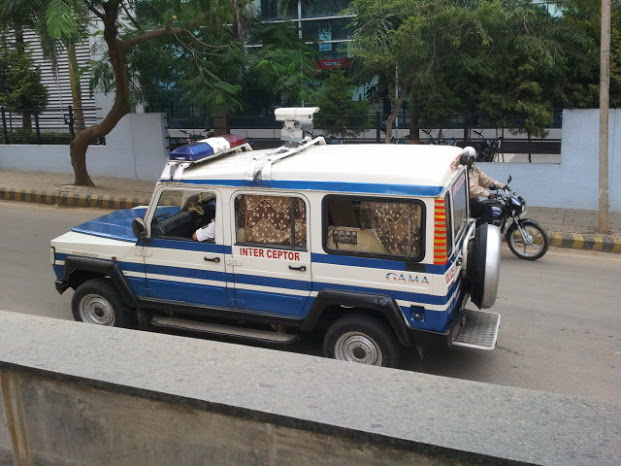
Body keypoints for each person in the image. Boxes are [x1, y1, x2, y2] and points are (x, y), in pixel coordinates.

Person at [460, 146, 507, 224]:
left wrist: (502, 186)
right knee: (486, 208)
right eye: (471, 158)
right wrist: (487, 194)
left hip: (473, 201)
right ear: (467, 158)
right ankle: (485, 231)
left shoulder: (473, 169)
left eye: (473, 159)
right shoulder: (462, 171)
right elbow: (470, 187)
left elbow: (486, 180)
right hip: (465, 203)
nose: (473, 160)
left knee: (491, 204)